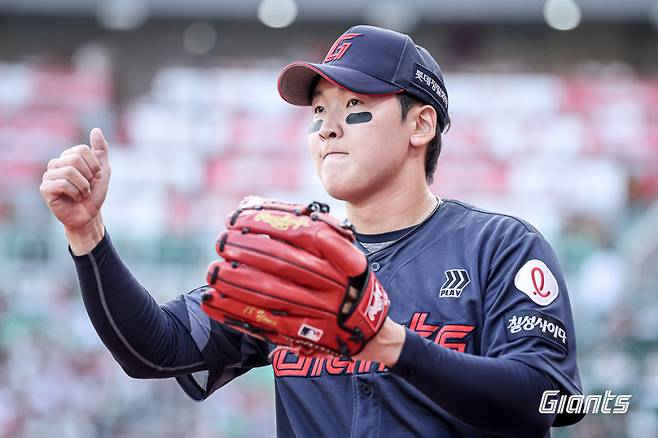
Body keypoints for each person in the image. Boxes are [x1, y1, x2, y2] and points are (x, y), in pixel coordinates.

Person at [40, 25, 584, 437]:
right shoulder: (296, 260)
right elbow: (155, 350)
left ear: (420, 125)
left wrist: (393, 346)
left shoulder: (500, 248)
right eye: (318, 111)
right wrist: (88, 233)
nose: (327, 128)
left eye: (355, 106)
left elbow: (552, 400)